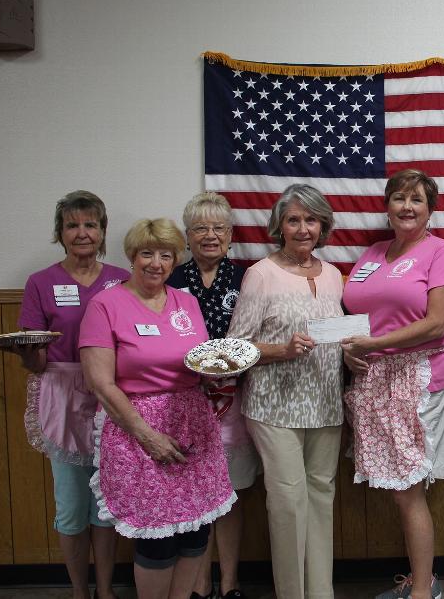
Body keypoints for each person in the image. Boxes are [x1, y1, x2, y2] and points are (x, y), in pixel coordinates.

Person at [80, 219, 236, 599]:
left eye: (166, 254)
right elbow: (100, 383)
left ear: (175, 259)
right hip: (136, 430)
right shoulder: (106, 305)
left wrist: (220, 370)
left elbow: (196, 362)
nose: (156, 262)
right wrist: (147, 436)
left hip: (193, 424)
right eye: (147, 253)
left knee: (196, 532)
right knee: (157, 538)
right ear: (132, 256)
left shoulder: (187, 302)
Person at [340, 170, 444, 599]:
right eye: (399, 198)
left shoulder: (442, 252)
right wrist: (348, 349)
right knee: (398, 489)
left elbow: (436, 323)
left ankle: (422, 590)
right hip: (374, 380)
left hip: (421, 376)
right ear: (387, 205)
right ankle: (419, 579)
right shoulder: (373, 253)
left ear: (430, 209)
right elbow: (356, 314)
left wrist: (374, 343)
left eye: (416, 199)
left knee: (409, 488)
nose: (407, 207)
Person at [226, 184, 344, 599]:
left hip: (327, 405)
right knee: (289, 505)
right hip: (274, 408)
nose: (302, 228)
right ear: (279, 226)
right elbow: (234, 349)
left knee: (320, 499)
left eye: (310, 219)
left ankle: (321, 593)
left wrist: (352, 355)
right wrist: (281, 349)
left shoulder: (333, 275)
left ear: (322, 225)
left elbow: (335, 337)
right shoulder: (261, 275)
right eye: (293, 219)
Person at [13, 190, 127, 599]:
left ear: (102, 231)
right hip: (61, 394)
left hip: (111, 394)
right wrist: (28, 354)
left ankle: (106, 590)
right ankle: (80, 592)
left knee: (106, 503)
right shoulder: (41, 282)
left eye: (90, 224)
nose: (82, 233)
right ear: (60, 233)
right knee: (71, 505)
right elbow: (35, 361)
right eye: (72, 225)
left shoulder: (121, 279)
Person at [166, 192, 259, 599]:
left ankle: (231, 583)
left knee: (232, 492)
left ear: (230, 234)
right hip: (185, 400)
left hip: (236, 399)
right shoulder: (170, 280)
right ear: (187, 236)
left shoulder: (247, 278)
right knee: (195, 493)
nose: (210, 235)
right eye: (201, 228)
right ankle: (199, 587)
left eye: (218, 228)